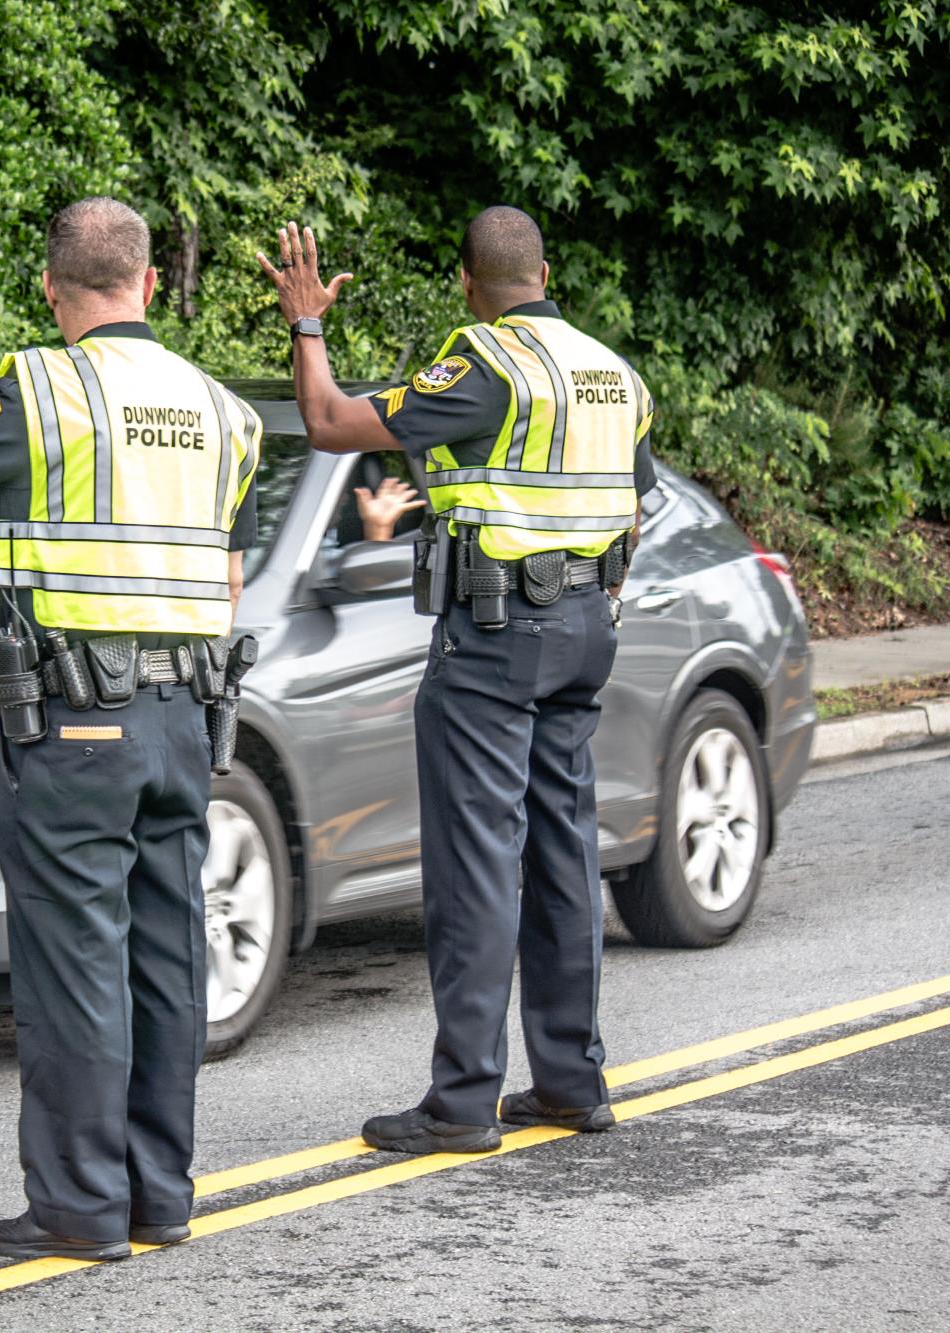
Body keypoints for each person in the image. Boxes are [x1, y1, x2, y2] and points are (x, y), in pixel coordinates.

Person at [0, 197, 261, 1258]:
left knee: (74, 961)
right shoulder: (224, 413)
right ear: (148, 282)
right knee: (165, 956)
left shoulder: (40, 389)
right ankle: (156, 1197)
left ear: (50, 287)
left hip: (73, 724)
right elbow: (226, 580)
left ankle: (78, 1209)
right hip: (186, 717)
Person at [257, 206, 656, 1154]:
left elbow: (327, 422)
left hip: (494, 635)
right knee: (563, 851)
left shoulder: (483, 364)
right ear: (547, 273)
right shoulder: (615, 373)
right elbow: (632, 513)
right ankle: (569, 1080)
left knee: (478, 860)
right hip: (585, 628)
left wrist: (307, 323)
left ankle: (464, 1098)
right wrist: (590, 605)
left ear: (467, 284)